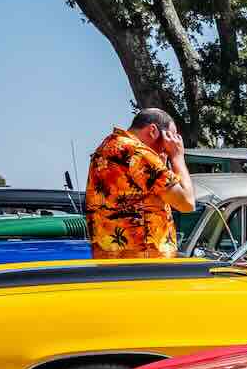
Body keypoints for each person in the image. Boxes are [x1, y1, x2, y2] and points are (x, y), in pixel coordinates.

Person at [83, 108, 196, 259]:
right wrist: (177, 157)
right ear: (152, 131)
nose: (171, 145)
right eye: (170, 137)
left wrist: (161, 163)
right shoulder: (139, 153)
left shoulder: (105, 148)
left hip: (107, 256)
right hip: (144, 258)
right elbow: (187, 203)